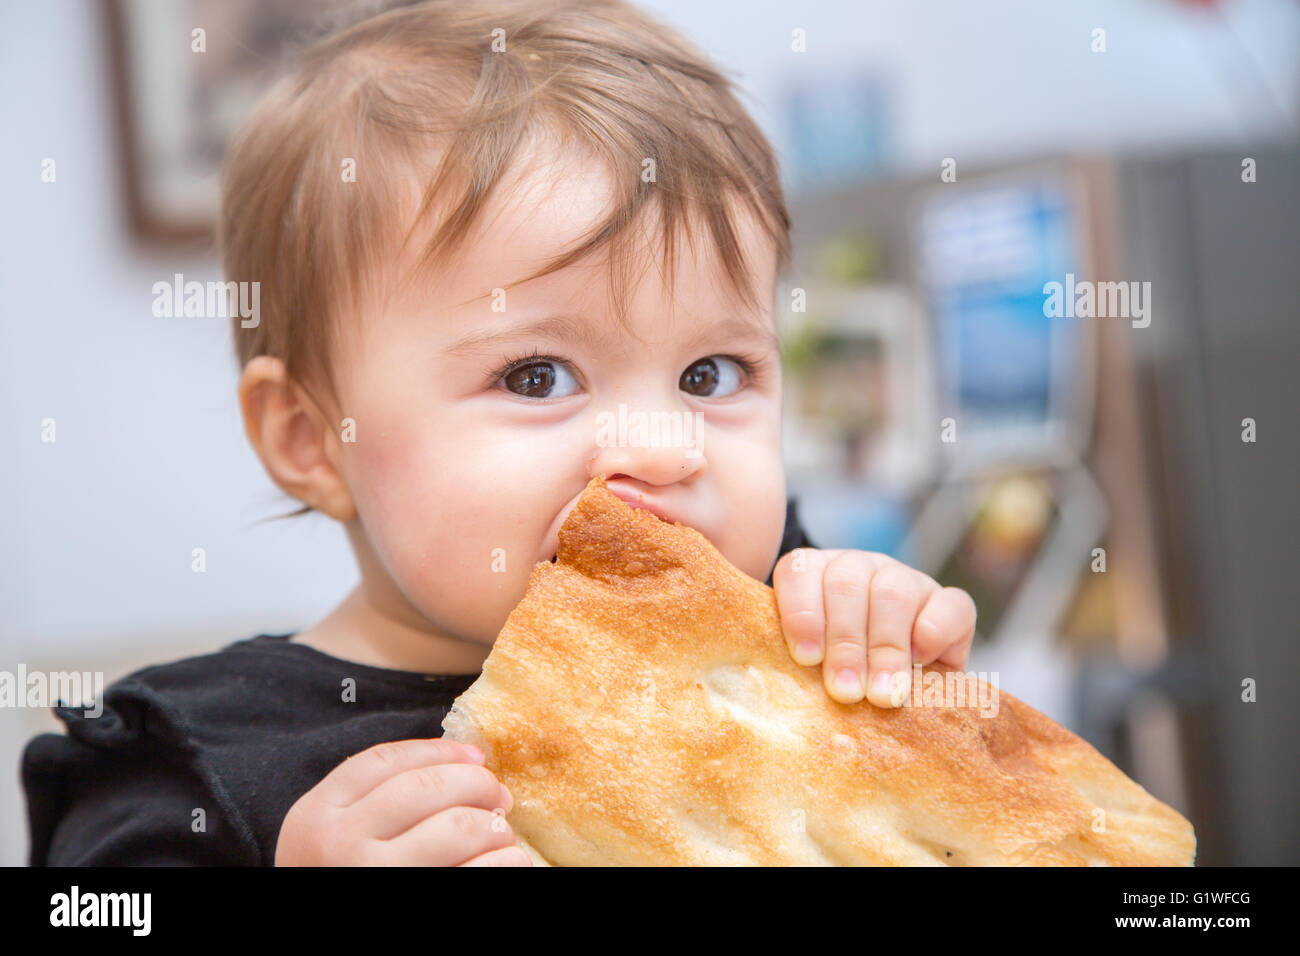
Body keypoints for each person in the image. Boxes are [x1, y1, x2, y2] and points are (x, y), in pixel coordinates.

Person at [23, 0, 976, 866]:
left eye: (709, 375)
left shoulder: (790, 639)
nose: (663, 446)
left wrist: (904, 699)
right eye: (536, 377)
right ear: (311, 439)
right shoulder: (188, 772)